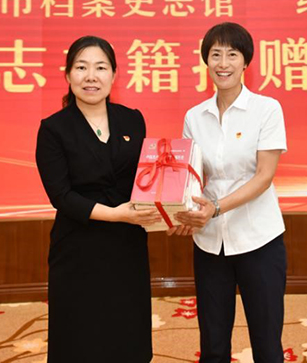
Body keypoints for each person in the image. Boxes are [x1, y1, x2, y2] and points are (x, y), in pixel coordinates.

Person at [35, 35, 161, 363]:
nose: (91, 76)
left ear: (114, 75)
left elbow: (145, 179)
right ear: (68, 75)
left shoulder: (132, 119)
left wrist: (171, 205)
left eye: (101, 68)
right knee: (80, 337)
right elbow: (61, 196)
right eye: (81, 67)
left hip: (126, 246)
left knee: (126, 332)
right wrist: (117, 214)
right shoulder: (53, 129)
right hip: (78, 246)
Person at [173, 22, 288, 363]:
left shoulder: (267, 109)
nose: (223, 63)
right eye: (216, 55)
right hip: (210, 243)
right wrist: (179, 212)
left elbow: (264, 177)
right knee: (213, 344)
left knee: (266, 344)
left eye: (232, 55)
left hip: (259, 240)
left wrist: (217, 207)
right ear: (206, 61)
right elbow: (191, 177)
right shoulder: (195, 116)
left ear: (245, 62)